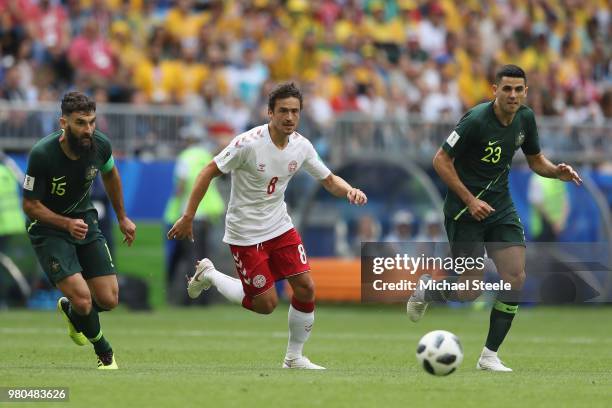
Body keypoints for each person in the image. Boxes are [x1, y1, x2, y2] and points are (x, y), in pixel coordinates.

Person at [168, 83, 367, 369]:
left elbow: (329, 179)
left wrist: (349, 190)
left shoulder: (302, 146)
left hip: (280, 227)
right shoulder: (247, 144)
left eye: (295, 112)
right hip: (245, 233)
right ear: (270, 112)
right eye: (283, 111)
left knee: (306, 287)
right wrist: (188, 216)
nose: (289, 117)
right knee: (265, 304)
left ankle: (294, 357)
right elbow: (208, 171)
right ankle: (210, 274)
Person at [407, 65, 582, 372]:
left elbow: (536, 159)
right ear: (495, 90)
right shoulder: (476, 120)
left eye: (518, 89)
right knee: (471, 289)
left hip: (500, 208)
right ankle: (428, 291)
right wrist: (470, 200)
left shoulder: (526, 118)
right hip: (464, 211)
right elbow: (440, 160)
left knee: (515, 276)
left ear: (525, 92)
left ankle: (489, 356)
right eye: (507, 89)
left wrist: (556, 172)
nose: (513, 95)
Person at [22, 92, 136, 369]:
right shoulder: (42, 154)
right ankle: (104, 352)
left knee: (108, 299)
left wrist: (122, 217)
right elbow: (30, 206)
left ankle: (72, 313)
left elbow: (110, 175)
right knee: (84, 299)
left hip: (84, 221)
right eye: (80, 123)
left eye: (92, 122)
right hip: (48, 229)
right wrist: (65, 224)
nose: (88, 130)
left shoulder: (100, 145)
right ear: (64, 122)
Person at [163, 122, 224, 304]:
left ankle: (190, 298)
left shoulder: (185, 157)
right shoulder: (207, 156)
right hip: (207, 216)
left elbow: (180, 187)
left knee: (192, 259)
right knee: (205, 257)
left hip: (189, 216)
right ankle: (205, 299)